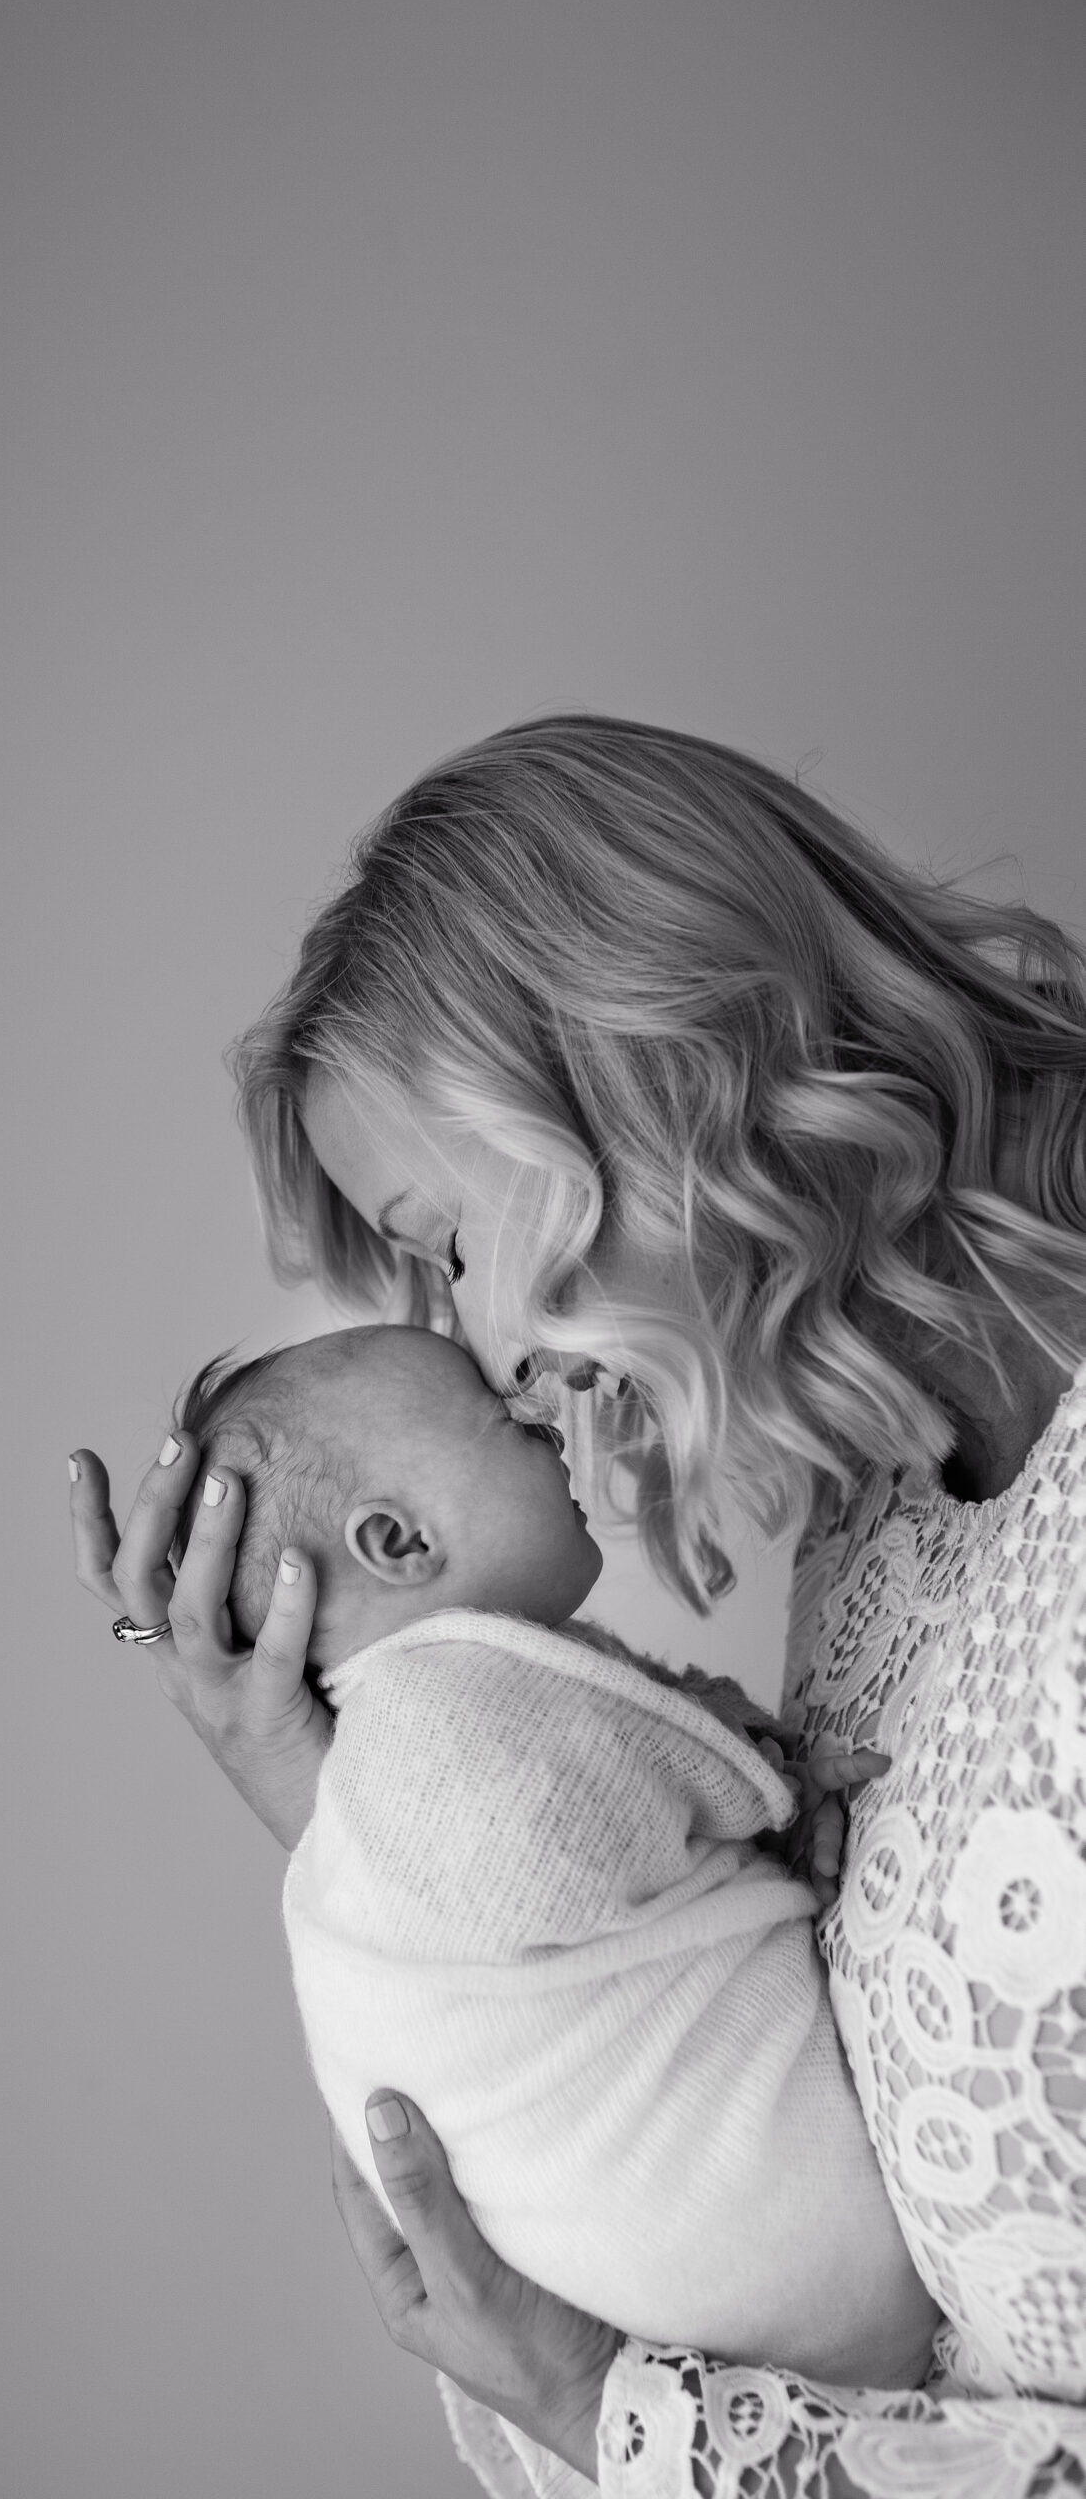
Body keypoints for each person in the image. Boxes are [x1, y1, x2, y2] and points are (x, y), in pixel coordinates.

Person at [70, 714, 1086, 2497]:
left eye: (446, 1246)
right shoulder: (877, 1524)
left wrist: (596, 2404)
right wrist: (338, 1794)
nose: (472, 1347)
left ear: (634, 1069)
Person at [173, 1324, 936, 2422]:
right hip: (770, 2254)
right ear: (396, 1541)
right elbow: (635, 1780)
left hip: (695, 2330)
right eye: (504, 1416)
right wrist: (773, 1782)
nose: (546, 1415)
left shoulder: (377, 1776)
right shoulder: (450, 1716)